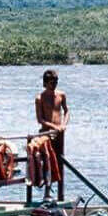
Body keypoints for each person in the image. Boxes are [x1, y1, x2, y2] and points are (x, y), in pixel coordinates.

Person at [35, 70, 69, 199]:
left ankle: (60, 194)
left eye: (56, 82)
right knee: (47, 162)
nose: (54, 85)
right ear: (45, 83)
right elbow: (40, 119)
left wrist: (64, 125)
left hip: (59, 134)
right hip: (46, 133)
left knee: (59, 162)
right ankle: (47, 193)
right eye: (51, 83)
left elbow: (66, 111)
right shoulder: (40, 98)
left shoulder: (61, 95)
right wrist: (54, 127)